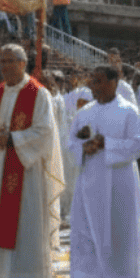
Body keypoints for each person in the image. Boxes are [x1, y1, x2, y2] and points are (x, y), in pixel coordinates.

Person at [0, 44, 64, 278]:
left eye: (11, 61)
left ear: (23, 64)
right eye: (2, 61)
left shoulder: (38, 94)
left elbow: (45, 132)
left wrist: (12, 139)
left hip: (26, 172)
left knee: (26, 227)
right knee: (2, 225)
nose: (6, 66)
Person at [56, 64, 140, 278]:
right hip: (89, 182)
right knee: (83, 236)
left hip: (119, 183)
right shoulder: (84, 112)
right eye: (91, 81)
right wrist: (83, 148)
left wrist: (108, 144)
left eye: (98, 81)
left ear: (113, 82)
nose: (93, 86)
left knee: (121, 233)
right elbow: (70, 141)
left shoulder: (129, 112)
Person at [58, 70, 93, 215]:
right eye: (80, 102)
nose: (83, 105)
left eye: (86, 102)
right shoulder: (69, 116)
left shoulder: (93, 116)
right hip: (70, 155)